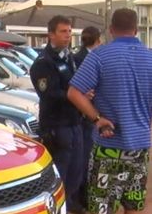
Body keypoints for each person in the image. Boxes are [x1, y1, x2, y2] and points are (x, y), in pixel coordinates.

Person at [68, 8, 152, 214]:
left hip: (107, 146)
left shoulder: (99, 56)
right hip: (139, 149)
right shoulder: (150, 58)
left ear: (111, 29)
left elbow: (73, 92)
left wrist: (97, 118)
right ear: (136, 30)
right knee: (132, 205)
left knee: (101, 206)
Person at [30, 15, 84, 214]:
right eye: (63, 31)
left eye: (69, 31)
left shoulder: (69, 57)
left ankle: (69, 207)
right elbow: (50, 94)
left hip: (74, 122)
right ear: (50, 34)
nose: (67, 35)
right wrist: (78, 96)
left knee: (76, 174)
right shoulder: (44, 63)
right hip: (58, 126)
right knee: (61, 174)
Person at [73, 26, 101, 209]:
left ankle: (83, 196)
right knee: (83, 159)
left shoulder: (80, 56)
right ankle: (80, 198)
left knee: (86, 158)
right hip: (84, 115)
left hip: (88, 115)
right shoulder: (84, 58)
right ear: (97, 41)